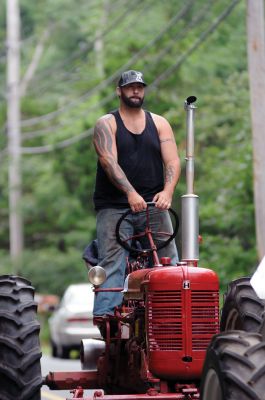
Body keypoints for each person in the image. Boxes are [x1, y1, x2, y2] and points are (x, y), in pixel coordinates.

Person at [92, 70, 181, 317]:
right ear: (119, 91)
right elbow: (109, 162)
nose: (135, 91)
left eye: (139, 87)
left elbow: (173, 162)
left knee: (168, 261)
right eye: (130, 87)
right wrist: (130, 193)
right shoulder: (106, 124)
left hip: (153, 204)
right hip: (115, 205)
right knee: (112, 261)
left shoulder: (160, 123)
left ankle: (171, 314)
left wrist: (167, 192)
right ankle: (107, 319)